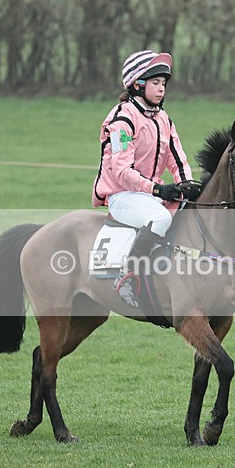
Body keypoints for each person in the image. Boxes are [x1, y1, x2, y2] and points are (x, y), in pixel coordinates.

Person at [91, 50, 199, 307]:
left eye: (163, 84)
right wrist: (158, 191)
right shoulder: (122, 120)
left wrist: (187, 184)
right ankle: (125, 275)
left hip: (148, 194)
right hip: (122, 195)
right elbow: (121, 170)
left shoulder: (164, 119)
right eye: (155, 83)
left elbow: (177, 158)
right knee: (160, 217)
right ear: (137, 84)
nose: (162, 90)